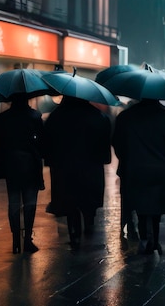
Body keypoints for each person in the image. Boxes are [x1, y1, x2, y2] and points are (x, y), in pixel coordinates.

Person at [112, 98, 165, 255]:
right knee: (156, 206)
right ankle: (155, 238)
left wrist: (128, 158)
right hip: (160, 169)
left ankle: (144, 237)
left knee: (141, 205)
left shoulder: (126, 117)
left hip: (135, 168)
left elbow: (117, 143)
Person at [44, 96, 112, 249]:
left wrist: (51, 161)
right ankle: (89, 223)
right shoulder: (97, 116)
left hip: (65, 167)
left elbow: (47, 142)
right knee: (88, 199)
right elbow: (104, 141)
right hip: (91, 166)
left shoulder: (56, 116)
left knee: (70, 202)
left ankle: (74, 232)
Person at [0, 94, 45, 254]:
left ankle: (15, 239)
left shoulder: (2, 118)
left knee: (13, 200)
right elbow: (43, 142)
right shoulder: (35, 117)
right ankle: (27, 239)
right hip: (31, 165)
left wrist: (2, 158)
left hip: (10, 165)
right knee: (30, 202)